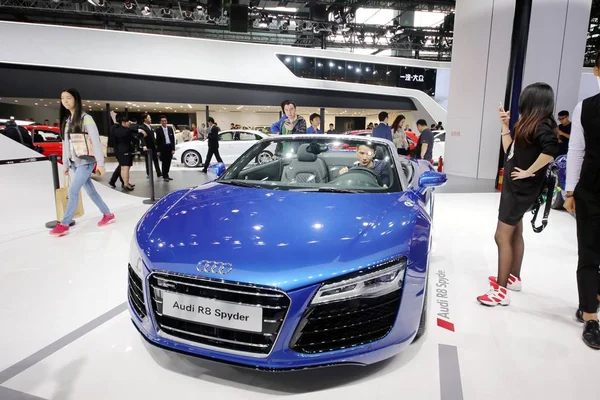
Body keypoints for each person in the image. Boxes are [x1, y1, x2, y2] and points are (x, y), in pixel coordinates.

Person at [477, 82, 558, 306]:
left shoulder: (541, 125)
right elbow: (509, 150)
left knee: (501, 236)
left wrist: (529, 172)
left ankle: (500, 291)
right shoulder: (530, 124)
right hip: (517, 189)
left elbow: (551, 150)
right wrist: (505, 126)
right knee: (514, 233)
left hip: (519, 190)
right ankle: (513, 278)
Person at [564, 53, 600, 349]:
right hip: (590, 190)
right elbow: (576, 149)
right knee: (588, 253)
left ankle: (592, 295)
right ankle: (590, 316)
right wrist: (570, 191)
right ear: (597, 70)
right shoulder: (585, 108)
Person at [49, 88, 114, 237]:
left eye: (68, 98)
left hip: (86, 162)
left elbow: (96, 142)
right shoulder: (67, 120)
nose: (65, 101)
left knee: (73, 191)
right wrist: (65, 164)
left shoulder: (86, 118)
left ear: (76, 100)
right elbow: (66, 144)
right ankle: (108, 214)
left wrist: (101, 164)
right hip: (74, 162)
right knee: (91, 191)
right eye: (63, 98)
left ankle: (64, 224)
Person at [109, 114, 136, 191]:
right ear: (124, 122)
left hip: (118, 150)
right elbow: (132, 140)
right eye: (128, 122)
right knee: (126, 168)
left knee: (122, 168)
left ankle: (125, 183)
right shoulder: (127, 131)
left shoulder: (115, 130)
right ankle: (126, 184)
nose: (129, 123)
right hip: (127, 150)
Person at [138, 113, 162, 178]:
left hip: (153, 146)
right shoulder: (141, 127)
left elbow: (153, 137)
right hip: (147, 146)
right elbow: (141, 137)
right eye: (149, 118)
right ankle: (149, 173)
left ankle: (158, 172)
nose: (150, 119)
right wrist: (144, 145)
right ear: (145, 119)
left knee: (156, 159)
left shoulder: (150, 126)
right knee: (148, 160)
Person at [155, 115, 175, 182]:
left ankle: (166, 174)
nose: (164, 122)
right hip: (163, 148)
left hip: (169, 146)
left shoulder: (170, 129)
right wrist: (158, 150)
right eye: (162, 121)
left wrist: (173, 148)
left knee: (169, 162)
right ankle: (164, 176)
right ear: (160, 122)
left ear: (167, 121)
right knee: (164, 162)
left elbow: (172, 139)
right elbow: (157, 141)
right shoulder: (158, 130)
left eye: (165, 121)